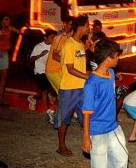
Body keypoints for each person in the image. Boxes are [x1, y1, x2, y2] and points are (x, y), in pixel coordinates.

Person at [82, 39, 128, 168]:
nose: (118, 59)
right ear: (108, 58)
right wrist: (86, 137)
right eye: (116, 56)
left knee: (122, 163)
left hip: (113, 128)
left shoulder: (111, 74)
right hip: (97, 132)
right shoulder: (91, 84)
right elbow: (86, 112)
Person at [55, 14, 90, 157]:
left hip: (81, 88)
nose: (89, 29)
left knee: (86, 116)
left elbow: (80, 67)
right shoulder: (68, 44)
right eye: (88, 26)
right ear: (81, 27)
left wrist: (92, 74)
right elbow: (70, 69)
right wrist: (87, 76)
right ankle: (61, 146)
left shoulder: (80, 44)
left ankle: (88, 143)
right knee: (64, 118)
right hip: (68, 88)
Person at [0, 13, 20, 106]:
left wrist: (24, 28)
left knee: (4, 75)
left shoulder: (10, 28)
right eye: (6, 19)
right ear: (1, 21)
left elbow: (19, 32)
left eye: (9, 20)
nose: (8, 21)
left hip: (4, 53)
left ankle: (0, 97)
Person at [27, 29, 57, 112]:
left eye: (55, 37)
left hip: (50, 70)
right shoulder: (39, 46)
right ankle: (47, 110)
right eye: (52, 37)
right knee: (44, 91)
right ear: (45, 38)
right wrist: (40, 55)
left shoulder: (54, 46)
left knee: (47, 89)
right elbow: (31, 59)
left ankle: (33, 98)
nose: (54, 39)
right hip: (40, 71)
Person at [45, 16, 73, 94]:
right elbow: (55, 56)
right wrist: (69, 63)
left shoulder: (69, 38)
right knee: (65, 94)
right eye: (70, 24)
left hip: (60, 70)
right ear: (65, 24)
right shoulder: (61, 37)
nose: (72, 27)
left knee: (65, 95)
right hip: (54, 70)